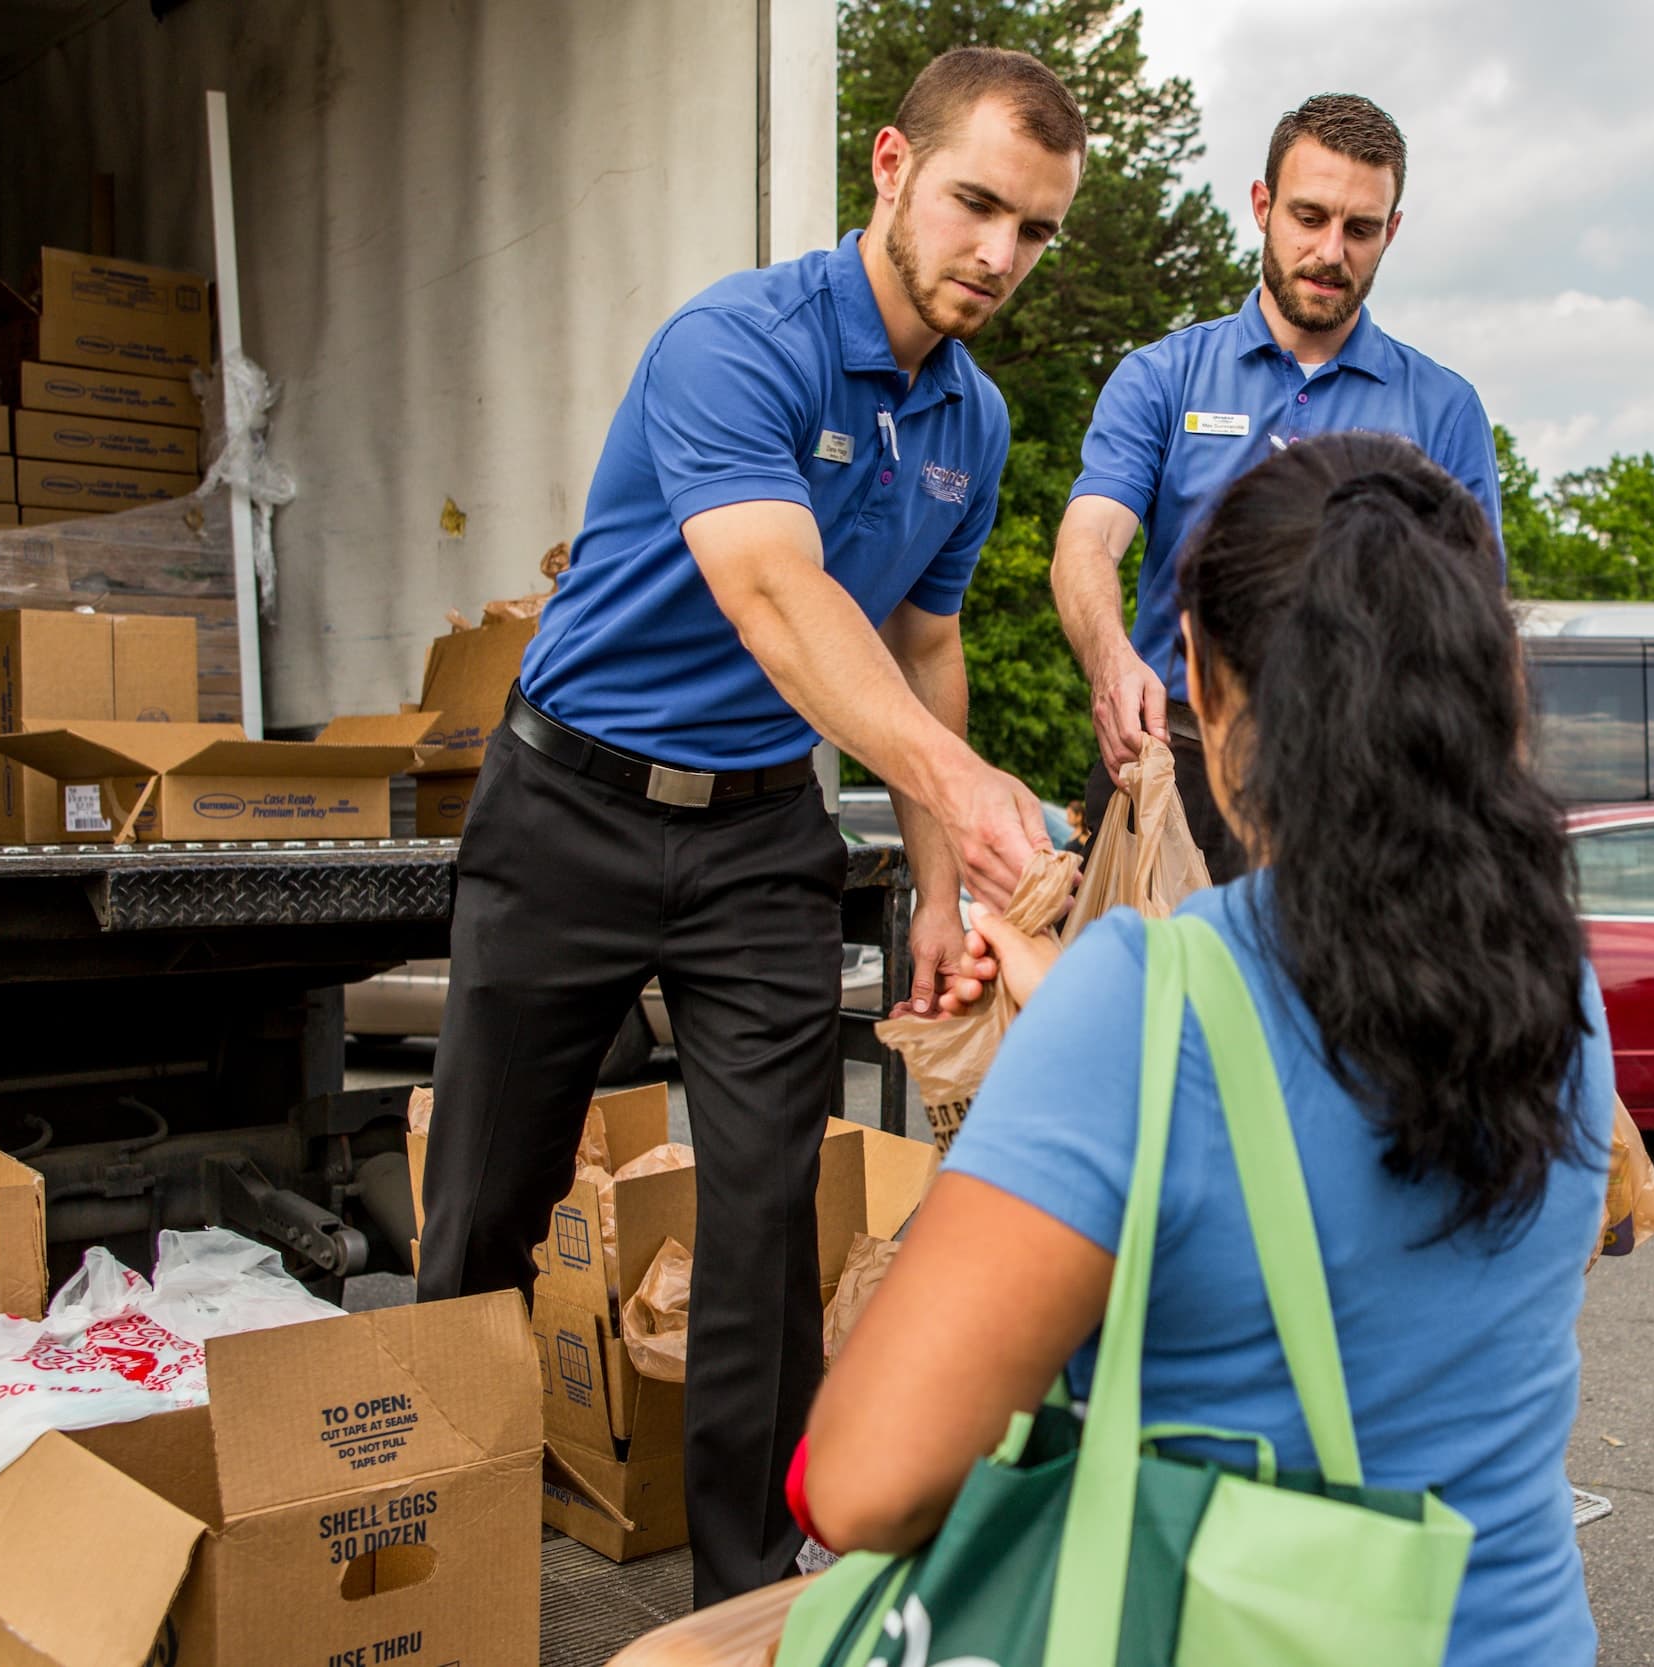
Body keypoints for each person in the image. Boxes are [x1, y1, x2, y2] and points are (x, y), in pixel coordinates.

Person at [415, 47, 1086, 1605]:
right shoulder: (737, 343)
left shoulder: (973, 419)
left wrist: (936, 886)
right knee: (485, 1206)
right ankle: (449, 1569)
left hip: (761, 840)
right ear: (890, 166)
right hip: (570, 806)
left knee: (770, 1216)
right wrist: (963, 783)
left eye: (1036, 229)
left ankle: (752, 1597)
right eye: (978, 203)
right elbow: (774, 592)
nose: (1000, 254)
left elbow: (924, 638)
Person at [802, 433, 1613, 1665]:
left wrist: (1073, 1043)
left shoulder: (1141, 1009)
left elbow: (861, 1484)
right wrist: (1080, 1012)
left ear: (1197, 676)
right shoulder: (1554, 979)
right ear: (1491, 674)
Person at [1051, 93, 1506, 879]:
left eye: (1361, 229)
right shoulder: (1161, 378)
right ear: (1263, 206)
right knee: (1146, 967)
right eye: (1309, 216)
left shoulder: (1445, 408)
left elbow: (1477, 622)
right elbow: (1086, 540)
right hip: (1174, 768)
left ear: (1392, 232)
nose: (1332, 252)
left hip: (1362, 788)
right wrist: (1109, 659)